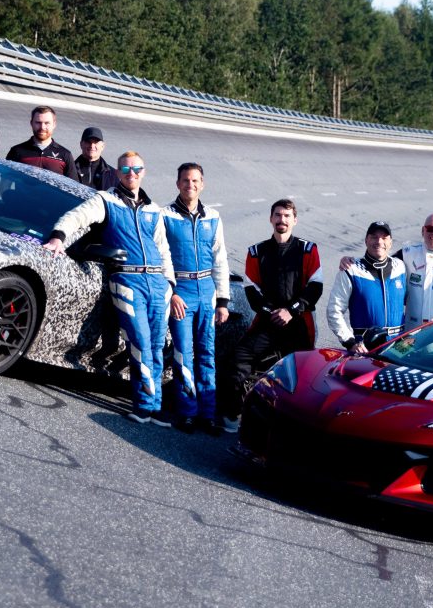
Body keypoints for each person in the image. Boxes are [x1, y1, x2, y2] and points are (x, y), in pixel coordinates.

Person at [43, 151, 176, 425]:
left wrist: (170, 284)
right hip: (126, 279)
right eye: (126, 169)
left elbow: (164, 252)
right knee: (139, 342)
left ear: (143, 171)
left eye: (137, 168)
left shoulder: (154, 210)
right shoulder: (106, 200)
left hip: (157, 283)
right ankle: (143, 404)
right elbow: (76, 217)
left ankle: (155, 404)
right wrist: (58, 237)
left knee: (156, 344)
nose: (132, 173)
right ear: (117, 172)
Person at [221, 199, 322, 433]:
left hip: (299, 325)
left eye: (287, 216)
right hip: (267, 323)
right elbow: (251, 291)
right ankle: (233, 414)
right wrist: (273, 312)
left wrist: (292, 311)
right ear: (270, 219)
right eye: (277, 215)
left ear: (294, 220)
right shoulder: (256, 252)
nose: (282, 220)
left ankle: (294, 427)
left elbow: (315, 288)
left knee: (300, 379)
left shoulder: (308, 249)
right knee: (237, 361)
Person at [161, 162, 230, 431]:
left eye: (195, 181)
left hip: (207, 293)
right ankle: (187, 412)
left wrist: (222, 301)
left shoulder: (212, 217)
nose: (191, 185)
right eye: (186, 181)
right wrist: (171, 293)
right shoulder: (165, 215)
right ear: (177, 183)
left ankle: (208, 414)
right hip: (182, 293)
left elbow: (220, 259)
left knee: (207, 354)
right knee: (183, 353)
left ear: (203, 184)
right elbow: (159, 259)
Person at [328, 221, 409, 351]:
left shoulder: (400, 266)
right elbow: (334, 311)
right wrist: (350, 342)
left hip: (399, 348)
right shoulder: (350, 269)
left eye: (384, 238)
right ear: (366, 240)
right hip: (365, 348)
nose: (379, 241)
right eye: (374, 237)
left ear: (390, 242)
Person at [7, 105, 74, 176]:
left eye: (47, 123)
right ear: (31, 123)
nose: (42, 127)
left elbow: (74, 186)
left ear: (54, 125)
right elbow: (5, 181)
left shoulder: (65, 155)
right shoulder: (17, 151)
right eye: (38, 123)